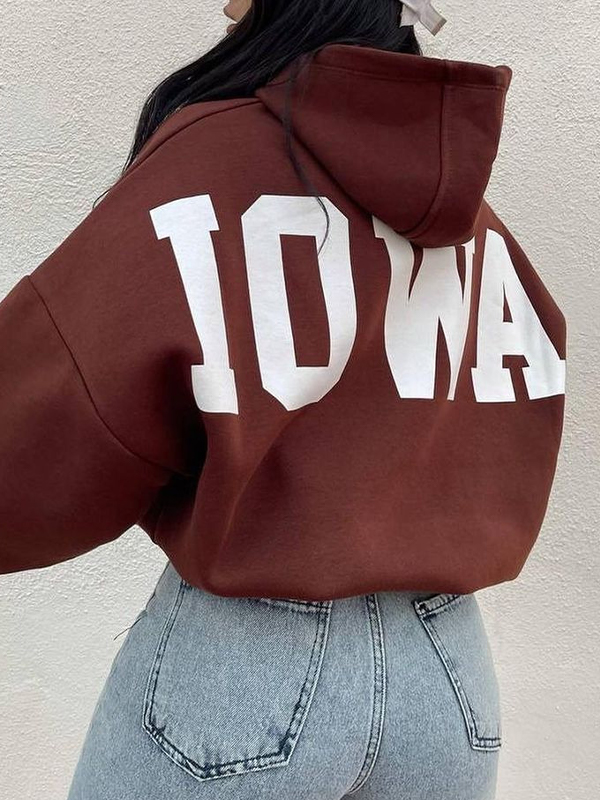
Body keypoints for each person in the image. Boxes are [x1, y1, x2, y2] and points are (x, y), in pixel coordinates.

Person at [0, 1, 567, 798]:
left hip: (249, 671)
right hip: (448, 672)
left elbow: (63, 394)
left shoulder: (216, 158)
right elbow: (525, 385)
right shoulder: (471, 218)